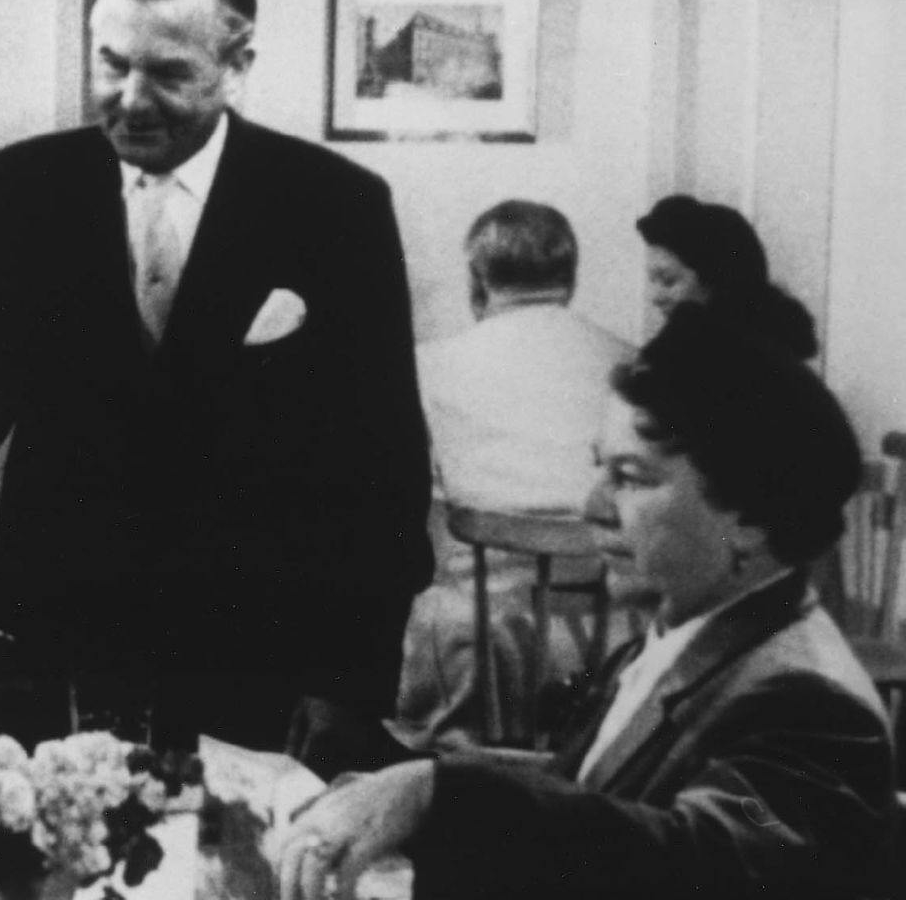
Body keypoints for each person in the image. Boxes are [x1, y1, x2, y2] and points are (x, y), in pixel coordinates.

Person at [0, 0, 433, 772]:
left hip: (255, 642)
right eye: (111, 64)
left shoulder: (335, 207)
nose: (131, 99)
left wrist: (350, 680)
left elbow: (384, 461)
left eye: (169, 73)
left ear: (237, 64)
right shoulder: (27, 187)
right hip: (55, 621)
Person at [272, 306, 899, 900]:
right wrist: (389, 765)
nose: (592, 506)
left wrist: (442, 793)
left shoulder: (811, 703)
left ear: (751, 518)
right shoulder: (681, 636)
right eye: (600, 470)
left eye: (630, 478)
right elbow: (583, 793)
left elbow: (696, 861)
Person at [396, 200, 635, 746]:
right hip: (616, 632)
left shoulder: (428, 366)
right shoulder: (635, 366)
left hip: (480, 641)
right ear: (570, 279)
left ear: (477, 281)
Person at [636, 194, 818, 359]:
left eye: (669, 281)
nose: (655, 297)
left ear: (718, 282)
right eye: (652, 280)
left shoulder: (746, 372)